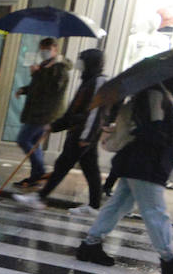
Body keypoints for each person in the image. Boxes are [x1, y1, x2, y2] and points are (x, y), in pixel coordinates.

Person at [76, 75, 173, 274]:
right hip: (146, 163)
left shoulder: (156, 94)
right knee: (155, 211)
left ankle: (90, 244)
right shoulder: (154, 95)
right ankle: (169, 259)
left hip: (138, 162)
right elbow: (150, 131)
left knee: (118, 205)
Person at [13, 48, 107, 213]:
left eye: (82, 59)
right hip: (80, 133)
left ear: (90, 62)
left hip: (82, 134)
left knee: (62, 166)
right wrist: (56, 125)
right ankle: (94, 206)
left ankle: (40, 197)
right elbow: (75, 111)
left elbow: (93, 113)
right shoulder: (88, 80)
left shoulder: (97, 82)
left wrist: (86, 136)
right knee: (90, 169)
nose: (79, 63)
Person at [14, 37, 72, 188]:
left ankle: (40, 172)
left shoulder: (60, 68)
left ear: (55, 49)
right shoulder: (45, 65)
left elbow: (53, 90)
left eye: (47, 49)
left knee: (24, 139)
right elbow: (37, 87)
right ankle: (36, 177)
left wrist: (37, 74)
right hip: (37, 111)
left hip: (45, 113)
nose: (44, 52)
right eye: (42, 49)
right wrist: (24, 89)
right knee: (33, 143)